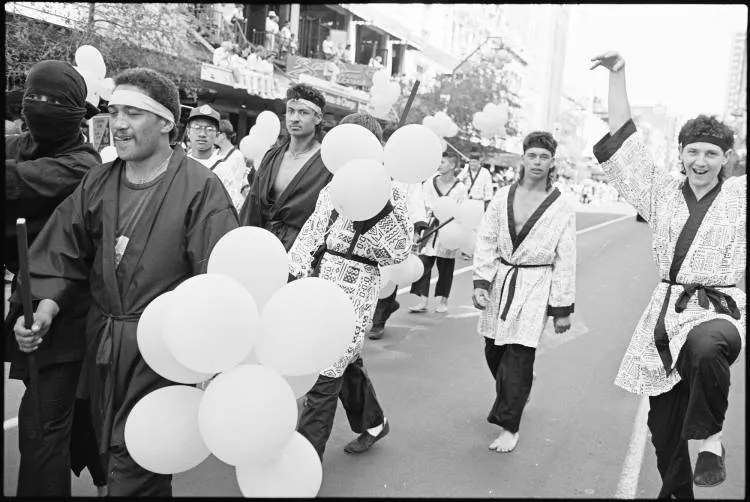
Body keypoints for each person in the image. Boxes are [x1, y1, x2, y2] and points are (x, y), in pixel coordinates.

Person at [10, 67, 239, 496]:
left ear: (167, 123)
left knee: (141, 465)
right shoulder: (99, 179)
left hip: (161, 353)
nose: (117, 123)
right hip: (102, 345)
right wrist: (43, 306)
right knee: (109, 455)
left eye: (133, 113)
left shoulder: (201, 189)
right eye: (114, 111)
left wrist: (211, 363)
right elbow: (63, 249)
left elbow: (219, 284)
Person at [591, 51, 745, 498]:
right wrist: (619, 75)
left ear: (727, 159)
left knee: (705, 345)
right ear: (680, 154)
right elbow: (623, 141)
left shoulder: (740, 196)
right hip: (664, 318)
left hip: (719, 310)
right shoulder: (659, 192)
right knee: (662, 429)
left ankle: (710, 438)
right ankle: (677, 492)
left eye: (712, 153)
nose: (701, 160)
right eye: (693, 151)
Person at [3, 59, 107, 497]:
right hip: (24, 303)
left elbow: (19, 183)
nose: (39, 107)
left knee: (41, 426)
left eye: (53, 101)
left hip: (66, 310)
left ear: (76, 111)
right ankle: (110, 477)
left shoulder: (84, 164)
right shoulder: (18, 145)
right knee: (69, 415)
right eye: (32, 97)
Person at [289, 112, 412, 459]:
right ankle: (374, 422)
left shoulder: (394, 192)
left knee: (326, 371)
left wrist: (376, 205)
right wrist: (293, 274)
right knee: (345, 361)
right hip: (319, 281)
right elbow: (313, 230)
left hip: (356, 289)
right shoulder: (332, 186)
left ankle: (303, 459)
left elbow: (400, 249)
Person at [472, 131, 576, 454]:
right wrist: (481, 282)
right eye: (532, 156)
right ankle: (520, 388)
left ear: (552, 163)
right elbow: (487, 238)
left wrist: (562, 308)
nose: (537, 162)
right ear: (523, 159)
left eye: (544, 157)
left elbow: (566, 256)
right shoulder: (503, 196)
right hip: (503, 277)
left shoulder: (562, 205)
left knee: (518, 355)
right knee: (494, 351)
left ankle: (509, 426)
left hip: (535, 283)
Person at [239, 84, 332, 251]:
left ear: (318, 118)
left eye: (303, 112)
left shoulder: (327, 163)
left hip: (301, 251)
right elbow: (252, 206)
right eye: (290, 111)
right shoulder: (271, 156)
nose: (294, 118)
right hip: (261, 243)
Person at [409, 152, 468, 314]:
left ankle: (444, 300)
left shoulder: (461, 188)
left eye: (443, 162)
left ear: (452, 166)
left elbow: (462, 211)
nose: (439, 165)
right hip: (430, 225)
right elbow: (422, 204)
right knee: (424, 264)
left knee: (446, 267)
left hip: (449, 229)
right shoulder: (429, 182)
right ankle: (422, 299)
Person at [458, 151, 495, 259]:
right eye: (471, 162)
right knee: (465, 227)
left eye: (475, 162)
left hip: (479, 202)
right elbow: (458, 181)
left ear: (479, 162)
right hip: (467, 201)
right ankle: (465, 251)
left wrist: (488, 203)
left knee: (477, 228)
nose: (472, 164)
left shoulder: (485, 172)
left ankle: (474, 250)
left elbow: (488, 189)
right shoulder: (466, 171)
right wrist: (465, 169)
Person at [213, 119, 250, 212]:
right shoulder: (215, 152)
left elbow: (236, 185)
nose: (213, 136)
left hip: (228, 205)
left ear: (223, 135)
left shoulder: (237, 156)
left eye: (216, 133)